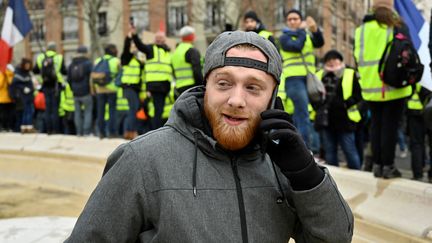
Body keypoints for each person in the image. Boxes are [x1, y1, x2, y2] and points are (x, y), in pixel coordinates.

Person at [66, 31, 353, 242]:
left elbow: (335, 238)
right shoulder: (142, 160)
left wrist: (308, 176)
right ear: (206, 88)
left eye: (254, 88)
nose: (236, 100)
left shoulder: (282, 166)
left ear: (272, 100)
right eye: (224, 83)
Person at [354, 1, 412, 178]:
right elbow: (407, 50)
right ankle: (388, 166)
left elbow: (358, 57)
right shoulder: (394, 26)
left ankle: (377, 165)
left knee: (376, 127)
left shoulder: (360, 30)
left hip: (371, 87)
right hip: (392, 86)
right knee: (390, 128)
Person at [279, 9, 324, 147]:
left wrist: (315, 30)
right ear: (286, 22)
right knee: (302, 112)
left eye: (296, 19)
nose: (293, 21)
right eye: (290, 19)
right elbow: (296, 46)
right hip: (293, 79)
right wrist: (304, 31)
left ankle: (308, 146)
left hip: (309, 79)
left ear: (300, 20)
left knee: (308, 114)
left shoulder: (307, 35)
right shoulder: (284, 38)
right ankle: (304, 147)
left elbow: (320, 42)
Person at [314, 50, 362, 169]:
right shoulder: (319, 75)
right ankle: (333, 179)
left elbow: (358, 95)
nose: (332, 62)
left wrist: (346, 104)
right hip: (326, 120)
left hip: (345, 120)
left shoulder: (350, 73)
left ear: (340, 61)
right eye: (329, 60)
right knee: (330, 151)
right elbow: (313, 95)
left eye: (335, 59)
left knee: (349, 150)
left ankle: (358, 175)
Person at [129, 28, 174, 130]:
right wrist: (135, 36)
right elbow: (140, 46)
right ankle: (156, 130)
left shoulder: (167, 51)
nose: (159, 40)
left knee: (160, 109)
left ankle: (157, 129)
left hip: (165, 86)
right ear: (154, 40)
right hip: (155, 85)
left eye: (161, 38)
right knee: (158, 110)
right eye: (157, 38)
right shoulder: (151, 49)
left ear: (164, 40)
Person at [33, 41, 67, 134]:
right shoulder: (59, 57)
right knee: (55, 109)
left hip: (45, 86)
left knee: (47, 109)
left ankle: (48, 129)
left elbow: (35, 71)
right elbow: (64, 71)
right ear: (55, 48)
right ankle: (55, 130)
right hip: (56, 86)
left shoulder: (40, 57)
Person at [93, 44, 120, 139]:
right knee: (112, 111)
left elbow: (93, 75)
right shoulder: (116, 61)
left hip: (99, 89)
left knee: (101, 111)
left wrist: (93, 89)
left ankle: (101, 133)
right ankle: (112, 133)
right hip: (112, 89)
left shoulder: (97, 60)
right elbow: (120, 74)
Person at [119, 36, 144, 139]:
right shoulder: (126, 58)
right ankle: (129, 133)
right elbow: (126, 49)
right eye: (132, 46)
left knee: (133, 111)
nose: (134, 48)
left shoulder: (138, 60)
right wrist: (128, 39)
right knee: (132, 111)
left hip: (135, 89)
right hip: (128, 88)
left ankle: (130, 132)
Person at [406, 83, 431, 180]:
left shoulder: (420, 71)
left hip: (416, 112)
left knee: (416, 144)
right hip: (423, 111)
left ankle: (417, 174)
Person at [68, 45, 93, 136]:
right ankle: (86, 132)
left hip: (75, 93)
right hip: (86, 92)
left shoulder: (72, 64)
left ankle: (79, 132)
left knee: (77, 113)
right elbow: (92, 78)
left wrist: (73, 89)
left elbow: (69, 79)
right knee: (87, 112)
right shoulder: (88, 63)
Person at [172, 25, 203, 98]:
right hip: (191, 87)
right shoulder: (191, 50)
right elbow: (197, 70)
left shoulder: (176, 51)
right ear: (191, 36)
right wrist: (201, 85)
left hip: (179, 87)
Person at [10, 58, 36, 133]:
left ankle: (29, 126)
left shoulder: (29, 73)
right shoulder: (18, 73)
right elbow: (15, 85)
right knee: (26, 111)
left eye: (29, 65)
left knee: (30, 111)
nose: (27, 66)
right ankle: (25, 127)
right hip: (22, 96)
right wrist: (23, 88)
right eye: (26, 65)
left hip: (30, 95)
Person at [0, 64, 15, 132]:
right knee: (5, 114)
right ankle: (5, 126)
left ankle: (6, 126)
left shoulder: (9, 75)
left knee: (6, 114)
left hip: (7, 97)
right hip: (4, 98)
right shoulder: (3, 75)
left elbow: (10, 83)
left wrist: (5, 74)